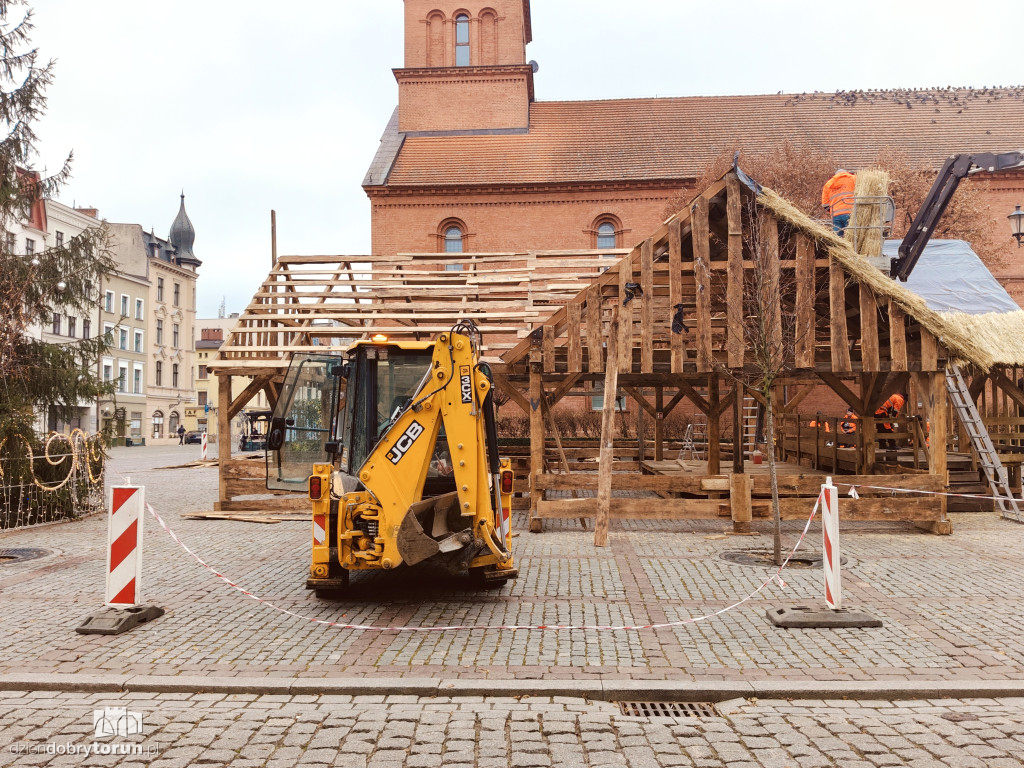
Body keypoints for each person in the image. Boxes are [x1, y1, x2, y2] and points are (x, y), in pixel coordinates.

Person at [821, 168, 856, 236]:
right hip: (850, 213)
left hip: (836, 215)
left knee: (838, 238)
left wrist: (834, 211)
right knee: (851, 236)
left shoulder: (828, 184)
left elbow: (825, 205)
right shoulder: (853, 179)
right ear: (846, 173)